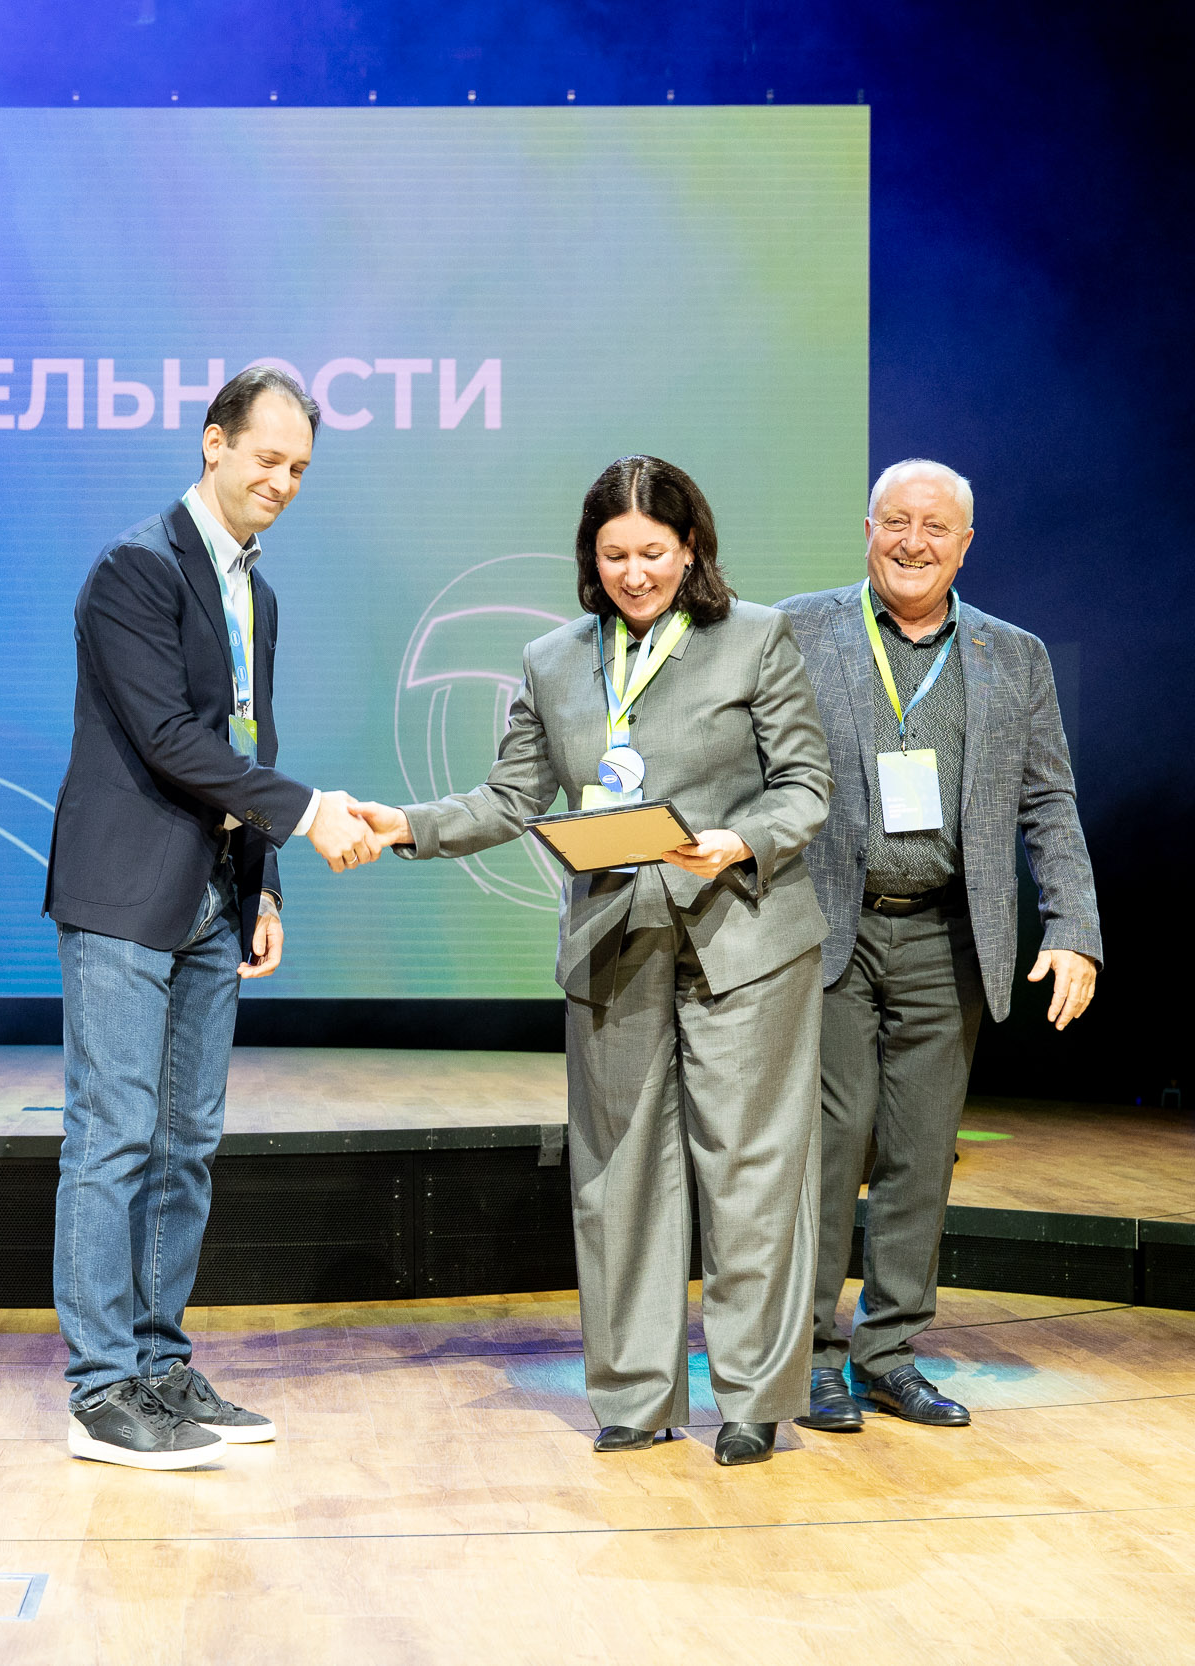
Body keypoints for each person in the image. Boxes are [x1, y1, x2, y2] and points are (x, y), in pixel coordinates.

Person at [354, 456, 832, 1467]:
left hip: (745, 939)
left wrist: (738, 841)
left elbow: (804, 785)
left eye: (652, 552)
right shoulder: (553, 660)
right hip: (614, 941)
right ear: (591, 557)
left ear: (690, 548)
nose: (633, 573)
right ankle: (634, 1395)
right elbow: (508, 798)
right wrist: (407, 825)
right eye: (614, 555)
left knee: (749, 1173)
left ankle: (753, 1398)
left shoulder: (756, 638)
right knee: (618, 1178)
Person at [44, 366, 387, 1470]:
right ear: (213, 442)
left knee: (186, 1144)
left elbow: (247, 741)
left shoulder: (255, 589)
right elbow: (169, 741)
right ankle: (101, 1389)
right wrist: (312, 813)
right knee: (114, 1137)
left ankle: (158, 1365)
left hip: (210, 895)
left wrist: (264, 882)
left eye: (299, 468)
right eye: (266, 458)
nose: (281, 481)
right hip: (124, 890)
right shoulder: (136, 568)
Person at [776, 458, 1103, 1435]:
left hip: (948, 936)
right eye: (895, 521)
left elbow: (1049, 798)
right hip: (828, 926)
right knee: (831, 1143)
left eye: (934, 528)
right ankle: (810, 1357)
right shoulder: (797, 630)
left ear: (964, 545)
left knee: (921, 1154)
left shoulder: (1015, 655)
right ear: (867, 530)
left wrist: (1074, 927)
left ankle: (886, 1354)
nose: (912, 543)